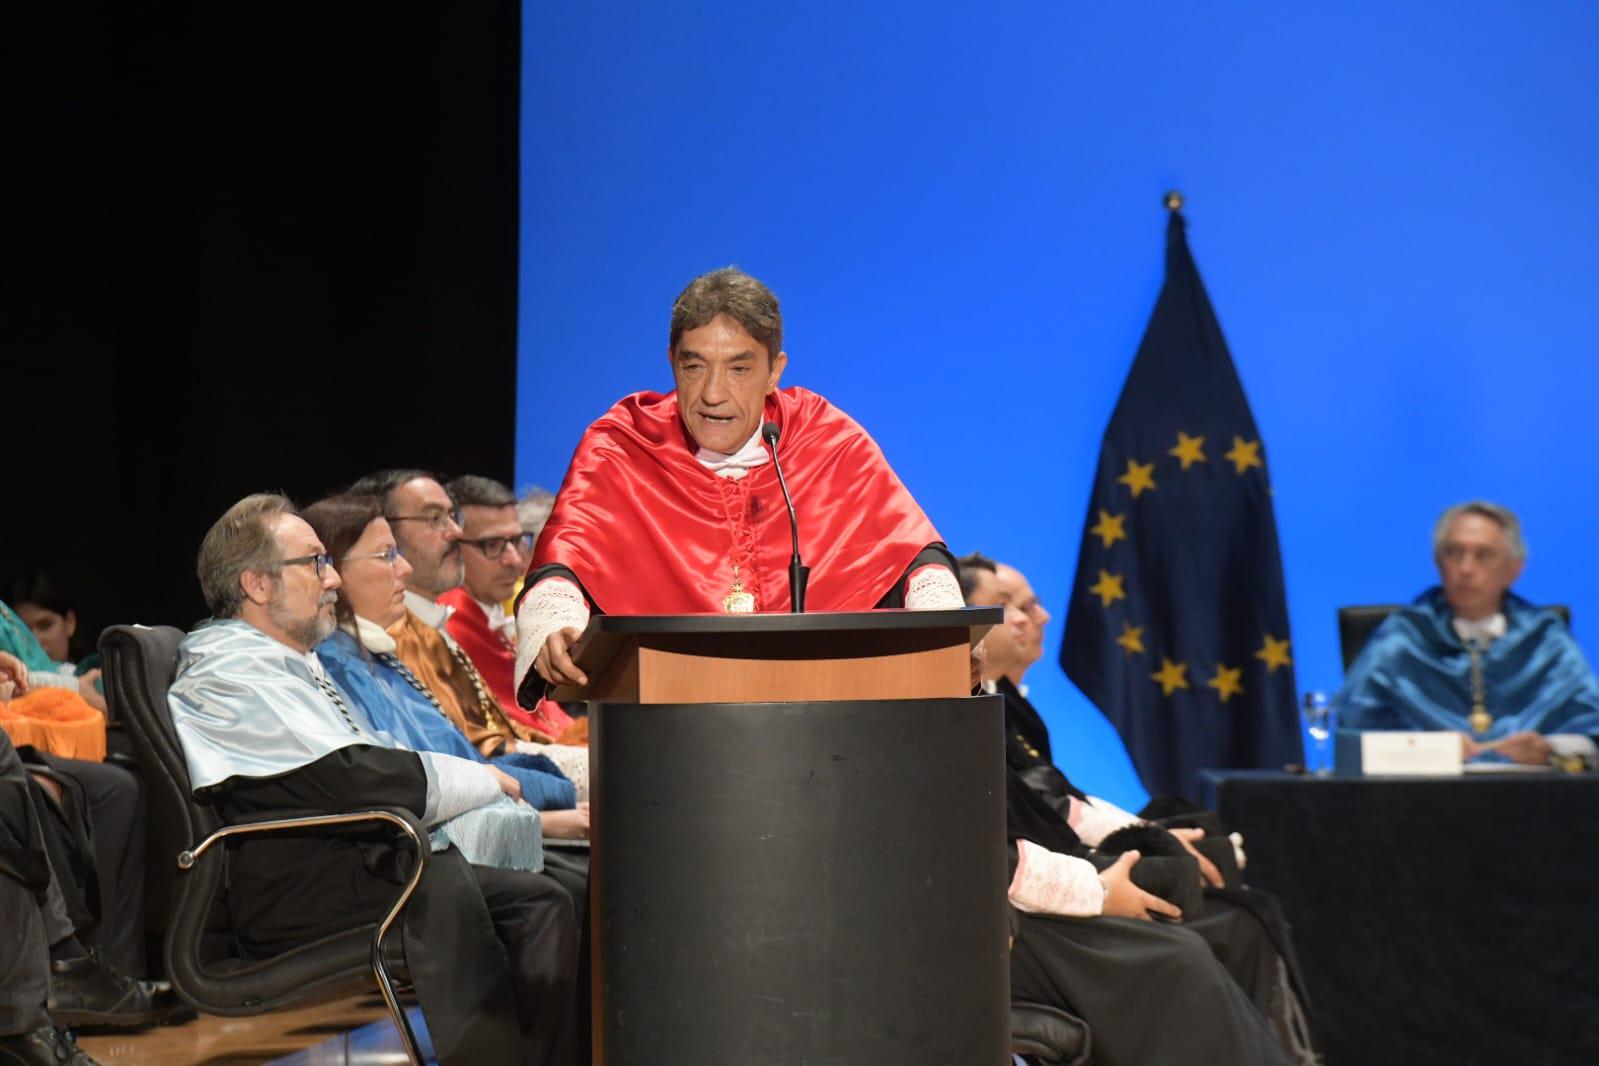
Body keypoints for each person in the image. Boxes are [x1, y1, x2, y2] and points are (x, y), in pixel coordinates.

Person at [166, 493, 579, 1066]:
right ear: (258, 585)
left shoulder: (281, 658)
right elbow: (354, 780)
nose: (331, 577)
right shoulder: (231, 670)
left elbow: (366, 767)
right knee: (538, 903)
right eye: (314, 562)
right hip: (304, 884)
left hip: (350, 859)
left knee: (559, 888)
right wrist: (482, 781)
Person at [517, 266, 968, 700]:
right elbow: (565, 559)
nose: (713, 394)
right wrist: (552, 621)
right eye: (695, 367)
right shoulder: (622, 443)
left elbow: (912, 555)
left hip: (827, 718)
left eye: (739, 369)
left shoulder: (825, 437)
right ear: (672, 362)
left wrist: (950, 629)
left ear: (775, 371)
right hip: (666, 719)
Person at [961, 553, 1316, 1062]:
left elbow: (1046, 811)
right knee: (1186, 952)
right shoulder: (945, 723)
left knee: (1236, 914)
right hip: (997, 920)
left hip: (1029, 886)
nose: (1030, 618)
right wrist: (1101, 886)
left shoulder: (992, 706)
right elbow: (1008, 842)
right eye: (1001, 607)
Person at [302, 493, 586, 827]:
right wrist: (548, 817)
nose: (404, 568)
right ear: (334, 571)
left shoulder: (375, 651)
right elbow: (426, 782)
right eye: (387, 555)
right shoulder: (341, 664)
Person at [1334, 501, 1599, 765]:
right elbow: (1353, 738)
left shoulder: (1546, 639)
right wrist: (1430, 750)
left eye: (1483, 555)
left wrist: (1549, 749)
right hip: (1421, 798)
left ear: (1514, 568)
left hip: (1536, 798)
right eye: (1454, 553)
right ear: (1438, 562)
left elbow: (1592, 733)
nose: (1466, 569)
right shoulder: (1401, 638)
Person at [439, 477, 576, 741]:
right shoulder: (452, 623)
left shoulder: (491, 613)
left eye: (517, 540)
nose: (514, 560)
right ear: (452, 546)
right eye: (492, 545)